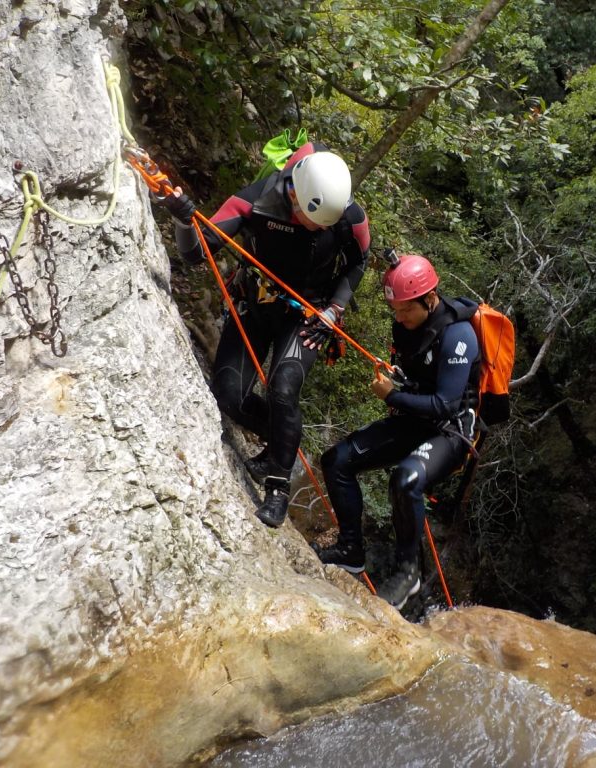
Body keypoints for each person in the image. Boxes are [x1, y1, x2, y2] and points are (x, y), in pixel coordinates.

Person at [157, 142, 370, 527]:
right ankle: (282, 436)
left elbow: (358, 261)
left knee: (283, 388)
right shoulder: (254, 202)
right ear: (295, 195)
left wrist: (334, 310)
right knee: (229, 395)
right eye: (312, 220)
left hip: (309, 315)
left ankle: (277, 488)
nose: (320, 229)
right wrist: (185, 222)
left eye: (326, 224)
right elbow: (195, 254)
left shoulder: (347, 215)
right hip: (255, 302)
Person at [316, 253, 481, 609]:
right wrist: (398, 384)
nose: (399, 317)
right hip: (414, 421)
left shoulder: (459, 335)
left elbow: (445, 404)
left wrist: (392, 395)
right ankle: (350, 549)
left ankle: (408, 573)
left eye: (406, 310)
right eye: (395, 310)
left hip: (450, 432)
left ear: (430, 298)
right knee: (336, 461)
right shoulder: (404, 328)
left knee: (405, 480)